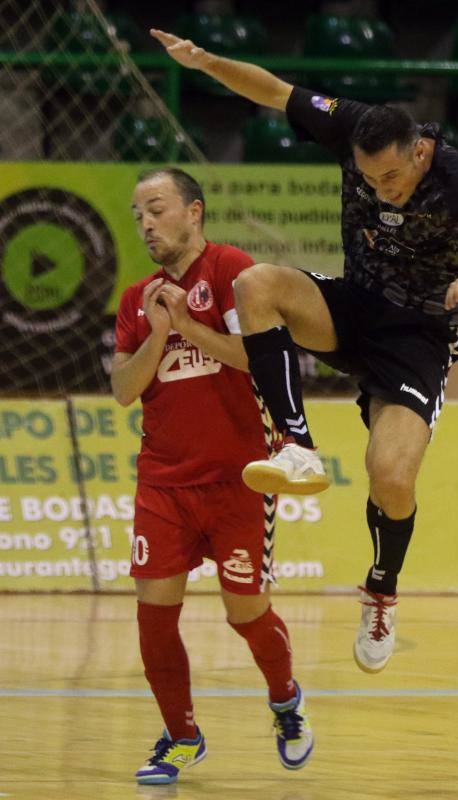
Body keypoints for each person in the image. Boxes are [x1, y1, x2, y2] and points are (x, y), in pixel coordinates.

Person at [151, 30, 458, 674]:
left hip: (418, 338)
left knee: (391, 477)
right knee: (256, 284)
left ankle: (381, 590)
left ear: (420, 151)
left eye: (392, 176)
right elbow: (273, 91)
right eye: (370, 178)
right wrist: (205, 62)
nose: (383, 188)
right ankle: (297, 443)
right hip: (354, 307)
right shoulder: (355, 124)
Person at [111, 167, 313, 785]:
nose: (147, 223)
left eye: (158, 209)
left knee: (245, 612)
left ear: (193, 212)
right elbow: (123, 389)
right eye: (139, 213)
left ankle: (285, 700)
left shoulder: (231, 269)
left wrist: (190, 326)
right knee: (154, 613)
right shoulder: (136, 299)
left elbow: (258, 359)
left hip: (240, 478)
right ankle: (180, 736)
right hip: (164, 482)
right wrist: (161, 333)